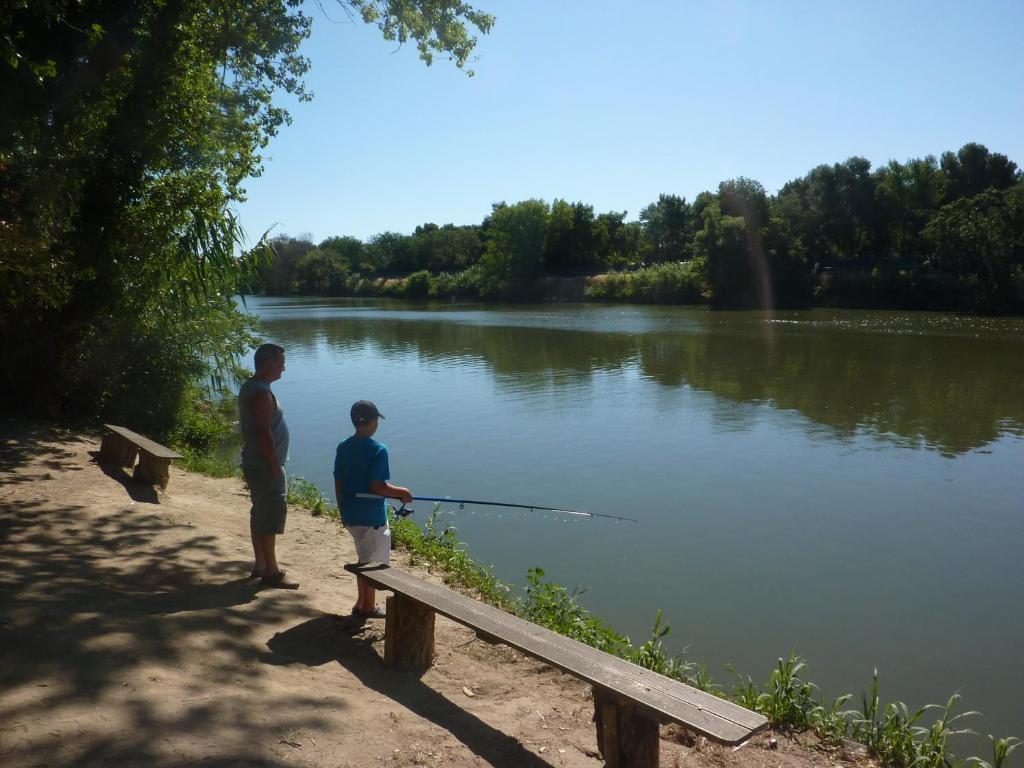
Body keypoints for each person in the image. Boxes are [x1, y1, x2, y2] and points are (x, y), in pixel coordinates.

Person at [334, 400, 412, 619]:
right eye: (377, 420)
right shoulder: (378, 450)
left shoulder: (343, 446)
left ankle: (361, 602)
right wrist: (402, 493)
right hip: (371, 518)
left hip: (350, 514)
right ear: (373, 421)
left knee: (363, 557)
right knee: (371, 564)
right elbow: (377, 486)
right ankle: (368, 607)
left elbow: (338, 480)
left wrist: (342, 508)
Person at [238, 343, 298, 589]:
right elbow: (264, 433)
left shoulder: (253, 387)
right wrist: (274, 465)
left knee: (259, 513)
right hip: (265, 466)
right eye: (281, 362)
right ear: (269, 363)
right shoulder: (261, 394)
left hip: (256, 462)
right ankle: (272, 572)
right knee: (270, 516)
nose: (284, 367)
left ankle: (261, 565)